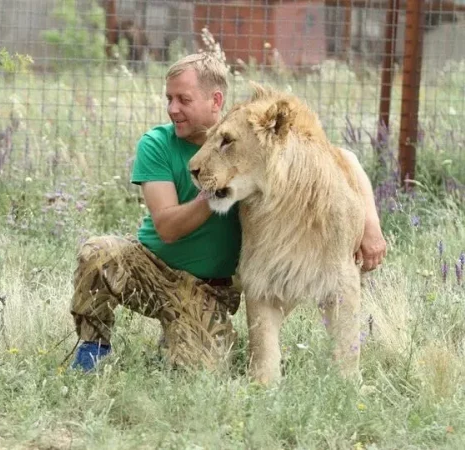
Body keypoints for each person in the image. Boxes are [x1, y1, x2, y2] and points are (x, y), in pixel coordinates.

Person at [68, 52, 387, 372]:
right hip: (152, 267)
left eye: (183, 99)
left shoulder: (246, 137)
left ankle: (181, 334)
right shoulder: (157, 144)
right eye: (169, 98)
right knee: (99, 253)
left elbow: (339, 157)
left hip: (206, 290)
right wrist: (214, 191)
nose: (172, 109)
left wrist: (370, 223)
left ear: (215, 99)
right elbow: (167, 226)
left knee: (201, 371)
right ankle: (93, 348)